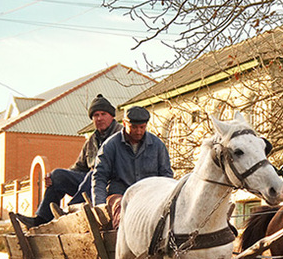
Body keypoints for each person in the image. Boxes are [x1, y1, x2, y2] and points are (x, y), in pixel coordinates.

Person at [15, 94, 123, 228]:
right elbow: (78, 167)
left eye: (103, 114)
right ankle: (41, 220)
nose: (99, 118)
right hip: (88, 186)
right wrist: (54, 178)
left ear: (112, 116)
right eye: (95, 115)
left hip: (110, 185)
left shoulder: (121, 136)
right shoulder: (92, 140)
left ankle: (71, 211)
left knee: (94, 174)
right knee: (58, 175)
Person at [92, 106, 173, 227]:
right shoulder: (110, 145)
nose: (139, 131)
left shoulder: (157, 146)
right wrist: (99, 206)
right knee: (122, 210)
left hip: (150, 196)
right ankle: (119, 236)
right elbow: (99, 177)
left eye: (142, 127)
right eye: (134, 127)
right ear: (124, 123)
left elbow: (166, 176)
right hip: (120, 196)